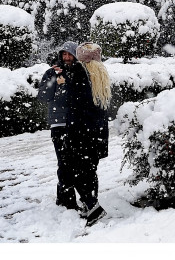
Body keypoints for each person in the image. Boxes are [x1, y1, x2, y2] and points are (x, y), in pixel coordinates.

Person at [67, 42, 111, 227]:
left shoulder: (79, 73)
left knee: (75, 171)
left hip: (81, 131)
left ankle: (93, 206)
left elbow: (76, 104)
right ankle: (89, 204)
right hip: (98, 132)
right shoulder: (101, 74)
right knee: (90, 169)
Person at [37, 41, 80, 211]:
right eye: (64, 54)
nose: (67, 58)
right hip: (58, 124)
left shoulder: (78, 72)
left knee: (71, 162)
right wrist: (57, 83)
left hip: (74, 123)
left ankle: (63, 197)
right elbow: (44, 96)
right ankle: (67, 200)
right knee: (64, 162)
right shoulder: (51, 72)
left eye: (70, 54)